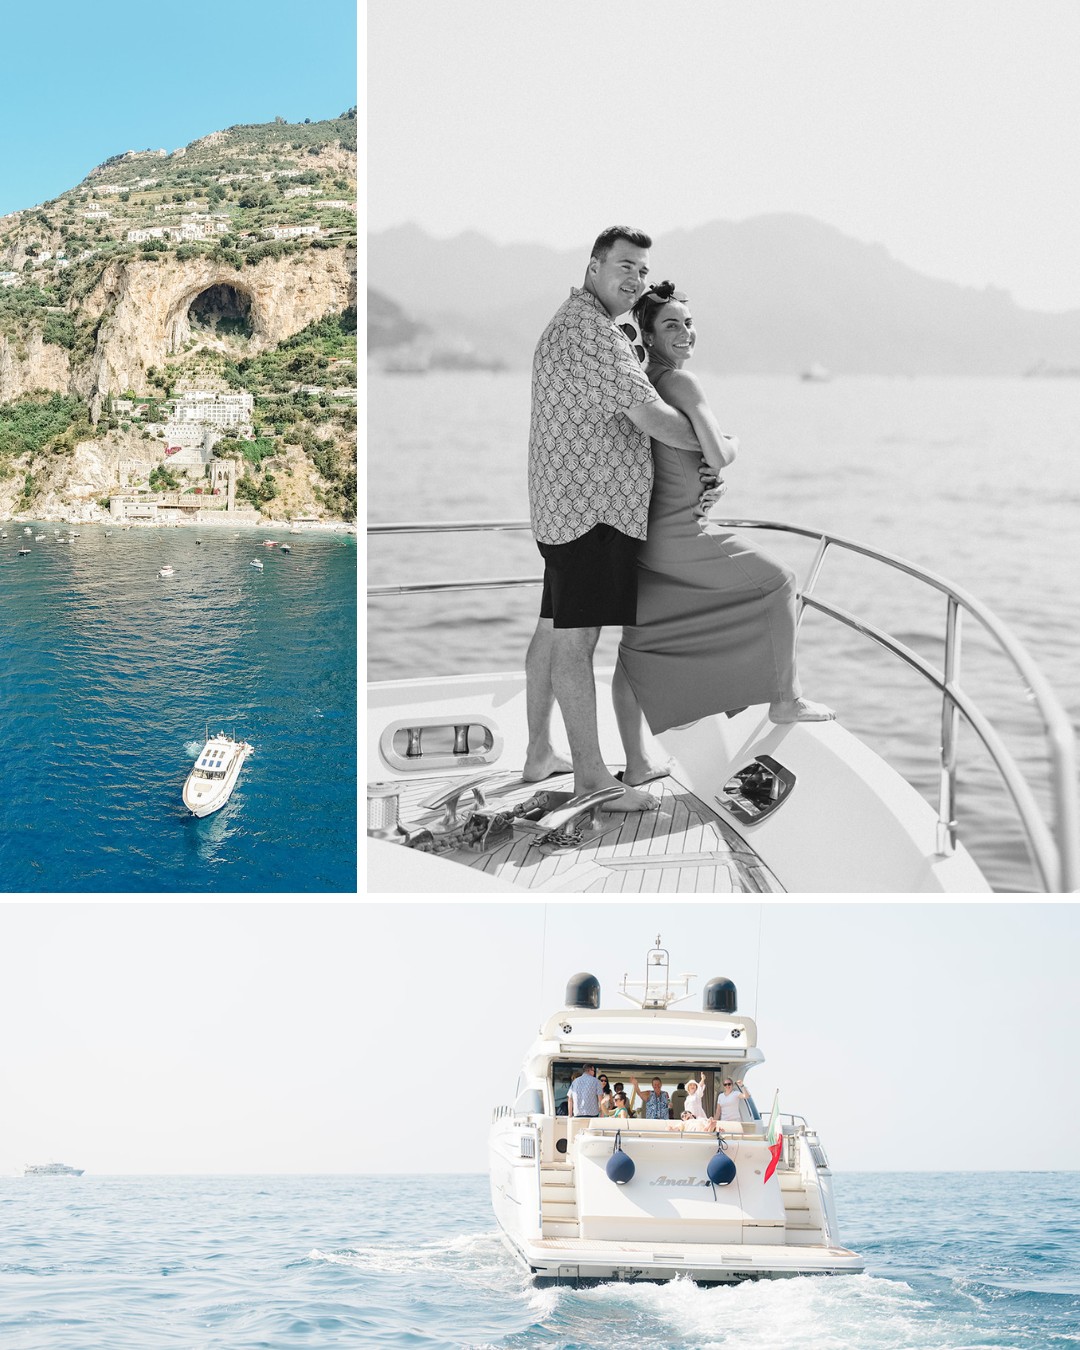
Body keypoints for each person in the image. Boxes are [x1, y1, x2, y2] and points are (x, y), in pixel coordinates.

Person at [524, 229, 717, 808]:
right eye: (624, 267)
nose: (635, 280)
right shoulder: (591, 332)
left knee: (554, 631)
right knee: (576, 644)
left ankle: (538, 754)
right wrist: (717, 445)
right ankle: (591, 779)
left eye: (642, 270)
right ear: (593, 267)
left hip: (566, 508)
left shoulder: (588, 324)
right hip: (591, 514)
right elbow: (654, 420)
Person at [613, 281, 833, 766]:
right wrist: (734, 441)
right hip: (681, 533)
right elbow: (717, 453)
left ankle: (637, 764)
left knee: (639, 651)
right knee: (779, 583)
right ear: (647, 335)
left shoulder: (642, 381)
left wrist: (704, 480)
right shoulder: (680, 383)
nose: (686, 332)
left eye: (689, 323)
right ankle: (784, 701)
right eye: (671, 324)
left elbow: (674, 460)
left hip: (648, 537)